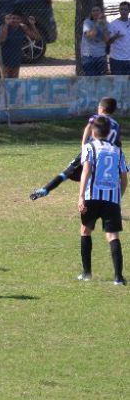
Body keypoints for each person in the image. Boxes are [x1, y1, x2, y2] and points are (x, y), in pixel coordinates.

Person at [30, 97, 121, 200]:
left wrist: (83, 145)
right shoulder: (116, 124)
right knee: (98, 177)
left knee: (67, 172)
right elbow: (118, 143)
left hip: (91, 151)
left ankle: (45, 190)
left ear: (101, 108)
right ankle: (103, 200)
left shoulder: (97, 118)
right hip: (107, 155)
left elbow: (88, 127)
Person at [76, 116, 127, 285]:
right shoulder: (118, 150)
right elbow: (124, 178)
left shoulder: (89, 148)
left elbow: (86, 171)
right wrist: (118, 197)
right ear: (108, 132)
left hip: (92, 196)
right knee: (113, 235)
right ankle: (118, 277)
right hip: (111, 199)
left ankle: (87, 273)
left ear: (93, 132)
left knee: (85, 231)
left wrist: (81, 196)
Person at [0, 10, 42, 79]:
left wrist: (32, 25)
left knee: (14, 82)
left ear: (21, 20)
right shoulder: (4, 27)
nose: (15, 20)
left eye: (17, 18)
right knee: (3, 82)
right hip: (3, 59)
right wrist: (6, 24)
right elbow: (2, 39)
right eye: (13, 18)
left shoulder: (23, 27)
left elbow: (37, 37)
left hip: (16, 59)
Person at [80, 6, 110, 76]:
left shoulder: (106, 24)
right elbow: (90, 36)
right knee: (90, 79)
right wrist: (97, 24)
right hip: (88, 56)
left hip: (100, 55)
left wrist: (104, 26)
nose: (95, 12)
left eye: (97, 10)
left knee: (101, 79)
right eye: (93, 11)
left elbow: (107, 40)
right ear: (91, 13)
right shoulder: (87, 22)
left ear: (101, 13)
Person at [107, 1, 130, 75]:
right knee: (117, 83)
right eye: (121, 9)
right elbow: (108, 42)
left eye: (125, 9)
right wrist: (115, 37)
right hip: (117, 59)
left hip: (129, 59)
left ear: (129, 11)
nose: (123, 11)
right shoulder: (113, 24)